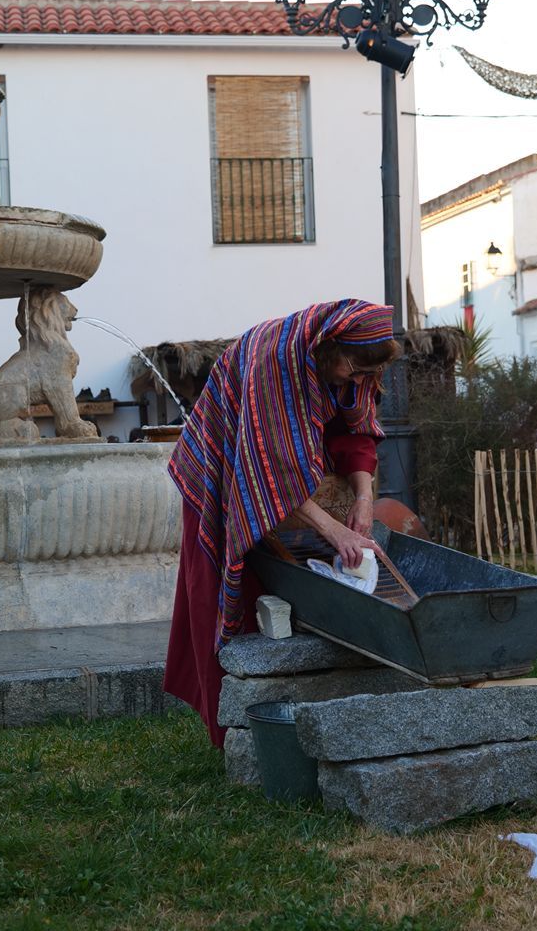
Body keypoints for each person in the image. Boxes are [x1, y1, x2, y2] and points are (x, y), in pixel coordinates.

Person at [164, 299, 400, 745]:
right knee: (223, 590)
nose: (360, 380)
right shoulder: (275, 362)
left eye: (369, 375)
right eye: (355, 369)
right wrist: (334, 530)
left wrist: (365, 499)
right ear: (331, 348)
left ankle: (295, 717)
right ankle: (236, 730)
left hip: (278, 471)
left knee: (285, 585)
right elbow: (265, 473)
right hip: (224, 465)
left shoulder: (355, 362)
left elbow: (355, 431)